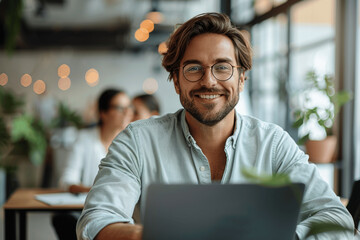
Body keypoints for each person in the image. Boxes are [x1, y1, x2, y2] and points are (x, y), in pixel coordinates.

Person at [77, 13, 354, 240]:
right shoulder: (137, 141)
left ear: (242, 78)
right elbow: (95, 222)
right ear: (176, 80)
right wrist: (156, 236)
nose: (208, 81)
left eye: (222, 67)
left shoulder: (273, 144)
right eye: (193, 68)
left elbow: (337, 220)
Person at [52, 88, 133, 240]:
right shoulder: (84, 139)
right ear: (103, 113)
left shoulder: (130, 143)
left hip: (122, 210)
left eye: (129, 107)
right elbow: (67, 180)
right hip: (90, 208)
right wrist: (96, 191)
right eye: (120, 108)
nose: (127, 112)